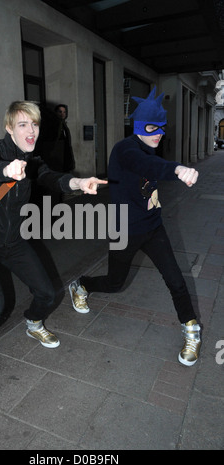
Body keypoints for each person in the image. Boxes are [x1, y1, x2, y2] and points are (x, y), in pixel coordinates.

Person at [0, 100, 106, 378]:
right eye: (23, 124)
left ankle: (33, 323)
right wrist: (6, 171)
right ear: (9, 128)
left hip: (15, 242)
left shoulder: (33, 160)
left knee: (48, 293)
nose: (31, 130)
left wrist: (78, 183)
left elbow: (50, 177)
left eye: (34, 124)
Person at [69, 87, 201, 367]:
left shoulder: (150, 145)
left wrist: (171, 168)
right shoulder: (125, 149)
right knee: (115, 284)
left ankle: (192, 331)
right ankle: (81, 285)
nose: (158, 134)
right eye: (152, 128)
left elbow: (152, 164)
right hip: (123, 229)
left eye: (162, 128)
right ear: (139, 126)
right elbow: (146, 165)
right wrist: (177, 169)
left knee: (175, 279)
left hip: (153, 227)